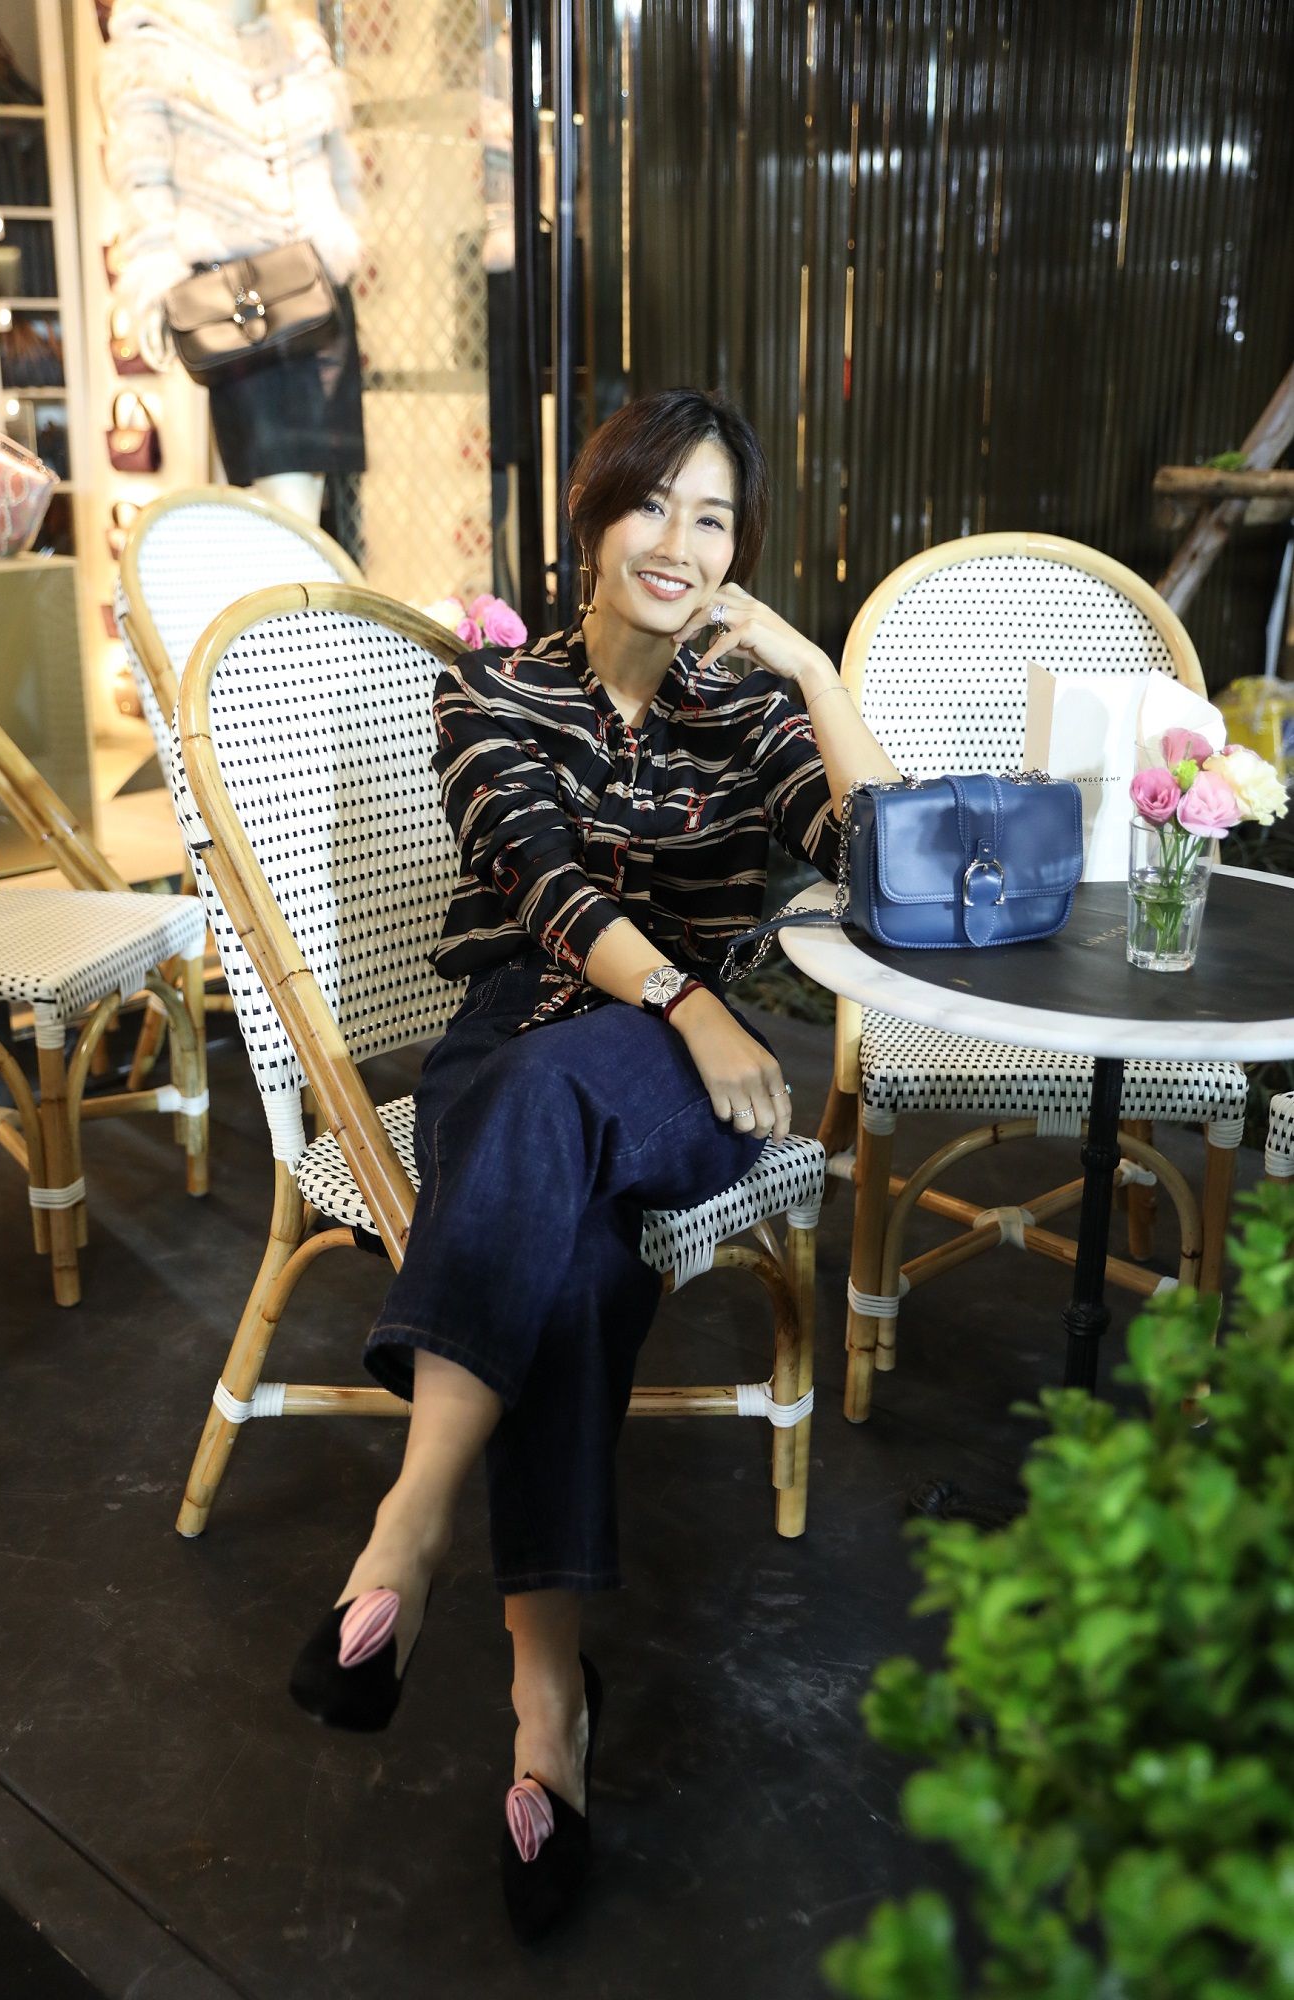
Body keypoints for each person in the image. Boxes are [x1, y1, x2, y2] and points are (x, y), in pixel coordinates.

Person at [288, 387, 898, 1938]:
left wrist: (817, 672)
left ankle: (410, 1528)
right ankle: (547, 1702)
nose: (678, 541)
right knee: (564, 1244)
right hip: (527, 1037)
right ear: (591, 516)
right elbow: (539, 884)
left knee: (560, 1110)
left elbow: (883, 868)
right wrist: (690, 998)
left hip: (678, 1081)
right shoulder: (491, 689)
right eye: (651, 503)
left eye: (713, 517)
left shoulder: (746, 711)